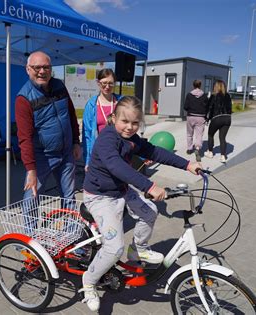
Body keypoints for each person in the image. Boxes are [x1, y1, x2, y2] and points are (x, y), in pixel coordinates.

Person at [80, 96, 202, 311]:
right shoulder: (108, 138)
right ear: (113, 118)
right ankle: (89, 281)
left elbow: (154, 151)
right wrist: (149, 186)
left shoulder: (132, 138)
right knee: (114, 248)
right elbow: (116, 165)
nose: (129, 127)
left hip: (120, 190)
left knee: (150, 211)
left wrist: (187, 164)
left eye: (135, 123)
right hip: (99, 196)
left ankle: (138, 249)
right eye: (124, 121)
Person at [15, 51, 81, 205]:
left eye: (46, 67)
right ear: (28, 69)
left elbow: (71, 115)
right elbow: (24, 138)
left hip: (66, 152)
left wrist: (76, 142)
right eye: (37, 67)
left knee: (69, 196)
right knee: (32, 196)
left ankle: (70, 227)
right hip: (42, 156)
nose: (42, 71)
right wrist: (31, 170)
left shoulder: (59, 85)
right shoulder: (23, 99)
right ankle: (28, 230)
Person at [82, 68, 121, 171]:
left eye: (110, 83)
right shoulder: (91, 105)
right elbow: (87, 134)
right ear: (98, 83)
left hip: (119, 152)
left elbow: (130, 128)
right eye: (104, 83)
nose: (107, 87)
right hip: (99, 154)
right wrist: (87, 161)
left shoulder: (121, 102)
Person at [204, 80, 232, 163]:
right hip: (227, 118)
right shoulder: (227, 96)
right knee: (222, 138)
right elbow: (230, 108)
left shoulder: (213, 96)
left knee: (210, 135)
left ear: (215, 87)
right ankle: (223, 156)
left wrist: (207, 118)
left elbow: (209, 108)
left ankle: (210, 152)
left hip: (217, 118)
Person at [183, 79, 209, 162]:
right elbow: (207, 107)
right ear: (200, 85)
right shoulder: (204, 95)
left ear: (193, 85)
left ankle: (189, 149)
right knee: (199, 135)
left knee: (189, 134)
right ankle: (197, 148)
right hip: (201, 117)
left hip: (190, 116)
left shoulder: (189, 95)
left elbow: (185, 107)